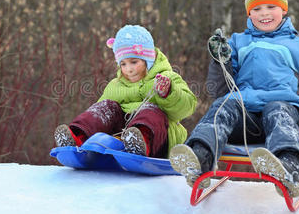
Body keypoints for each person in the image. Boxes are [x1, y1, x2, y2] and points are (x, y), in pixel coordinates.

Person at [169, 0, 299, 197]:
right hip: (244, 119)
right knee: (223, 105)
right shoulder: (238, 42)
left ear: (284, 9)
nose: (264, 13)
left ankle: (288, 165)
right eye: (257, 8)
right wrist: (221, 60)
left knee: (276, 108)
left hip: (282, 115)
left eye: (271, 6)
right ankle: (200, 157)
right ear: (249, 12)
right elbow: (221, 90)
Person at [54, 25, 197, 158]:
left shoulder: (167, 78)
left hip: (157, 140)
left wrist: (168, 92)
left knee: (151, 110)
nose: (129, 69)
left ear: (148, 60)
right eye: (123, 64)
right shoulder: (115, 85)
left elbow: (188, 107)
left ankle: (139, 142)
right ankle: (77, 137)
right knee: (106, 107)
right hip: (120, 135)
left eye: (134, 62)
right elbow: (97, 116)